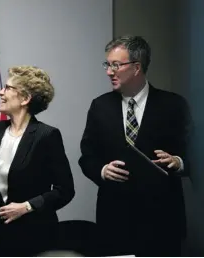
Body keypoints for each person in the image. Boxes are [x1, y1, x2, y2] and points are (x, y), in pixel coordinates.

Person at [78, 35, 191, 256]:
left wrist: (178, 162)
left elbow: (195, 153)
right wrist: (102, 170)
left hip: (163, 219)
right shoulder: (100, 106)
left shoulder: (174, 105)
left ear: (137, 67)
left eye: (115, 65)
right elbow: (87, 156)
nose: (109, 71)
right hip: (115, 219)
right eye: (107, 64)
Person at [0, 65, 75, 257]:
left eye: (7, 88)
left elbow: (65, 190)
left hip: (34, 235)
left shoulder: (46, 135)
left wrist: (27, 206)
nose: (0, 92)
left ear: (25, 99)